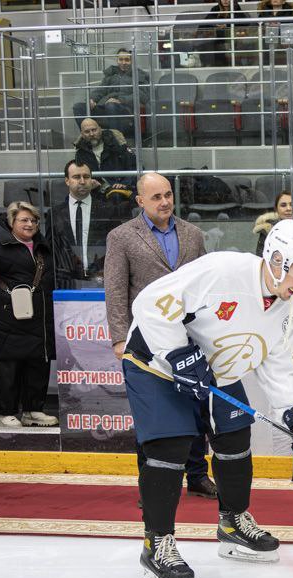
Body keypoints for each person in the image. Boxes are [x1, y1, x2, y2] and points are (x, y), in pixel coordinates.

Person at [122, 219, 293, 578]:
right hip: (157, 363)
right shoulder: (222, 271)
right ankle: (157, 543)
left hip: (214, 367)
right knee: (170, 446)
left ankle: (233, 523)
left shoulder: (290, 306)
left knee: (234, 435)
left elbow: (278, 365)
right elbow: (150, 304)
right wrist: (179, 355)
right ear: (277, 260)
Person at [104, 173, 217, 503]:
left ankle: (197, 475)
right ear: (140, 201)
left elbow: (204, 286)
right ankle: (151, 483)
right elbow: (115, 291)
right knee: (152, 414)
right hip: (146, 341)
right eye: (156, 197)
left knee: (195, 407)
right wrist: (119, 338)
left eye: (168, 195)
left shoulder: (193, 234)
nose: (165, 202)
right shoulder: (121, 237)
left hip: (189, 337)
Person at [0, 202, 58, 428]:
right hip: (6, 320)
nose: (30, 224)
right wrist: (0, 301)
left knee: (38, 363)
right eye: (24, 220)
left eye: (33, 220)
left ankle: (33, 411)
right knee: (8, 366)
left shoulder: (43, 247)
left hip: (39, 318)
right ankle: (5, 414)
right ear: (11, 222)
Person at [50, 160, 120, 288]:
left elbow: (117, 247)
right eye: (76, 177)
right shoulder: (55, 213)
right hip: (67, 283)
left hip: (102, 281)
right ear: (67, 181)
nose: (82, 181)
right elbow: (52, 251)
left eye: (86, 177)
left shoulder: (108, 210)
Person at [72, 49, 150, 138]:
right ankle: (87, 137)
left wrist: (120, 100)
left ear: (132, 61)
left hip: (127, 109)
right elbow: (101, 90)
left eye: (127, 60)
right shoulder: (111, 74)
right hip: (105, 106)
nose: (123, 63)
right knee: (78, 107)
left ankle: (115, 139)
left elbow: (143, 95)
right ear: (117, 60)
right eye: (121, 59)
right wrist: (91, 99)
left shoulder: (139, 75)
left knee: (111, 105)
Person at [72, 119, 138, 203]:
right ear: (82, 134)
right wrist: (88, 182)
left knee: (115, 197)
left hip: (118, 188)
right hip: (95, 190)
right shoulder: (80, 152)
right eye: (87, 132)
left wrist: (125, 183)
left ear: (100, 129)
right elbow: (79, 174)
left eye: (94, 130)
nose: (91, 134)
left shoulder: (117, 144)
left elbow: (135, 167)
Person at [198, 0, 253, 68]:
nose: (225, 1)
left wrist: (227, 25)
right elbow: (206, 21)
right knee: (205, 43)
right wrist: (216, 24)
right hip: (218, 39)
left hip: (232, 38)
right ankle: (209, 64)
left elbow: (244, 22)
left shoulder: (236, 8)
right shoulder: (216, 9)